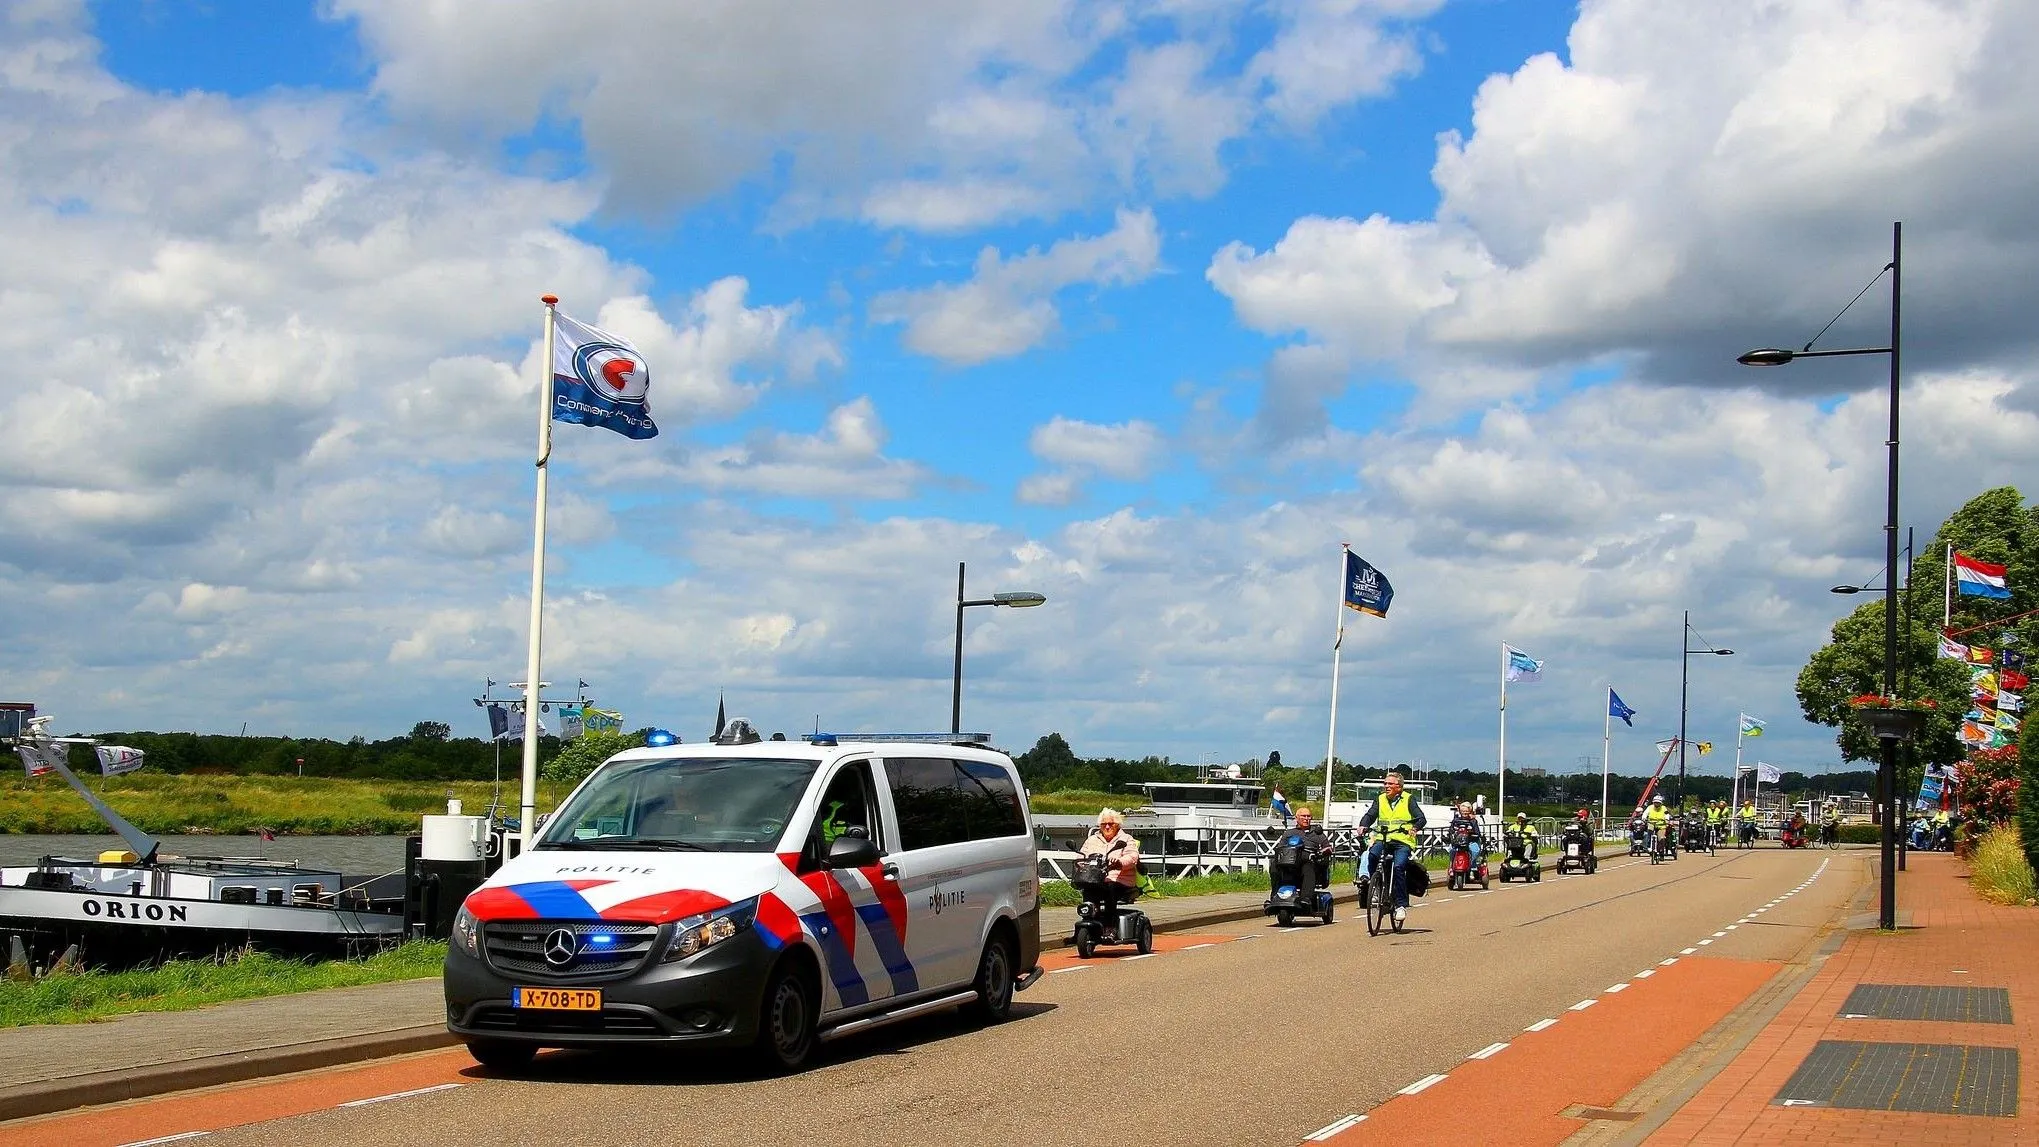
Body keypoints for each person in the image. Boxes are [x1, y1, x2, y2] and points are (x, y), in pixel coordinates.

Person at [1357, 771, 1427, 925]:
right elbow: (1371, 815)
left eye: (1390, 784)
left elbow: (1421, 818)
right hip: (1383, 839)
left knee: (1400, 867)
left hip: (1402, 841)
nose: (1386, 786)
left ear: (1399, 787)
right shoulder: (1380, 799)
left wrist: (1414, 828)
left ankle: (1401, 905)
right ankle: (1377, 886)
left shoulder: (1408, 799)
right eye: (1385, 784)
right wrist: (1363, 825)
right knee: (1372, 856)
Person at [1079, 809, 1142, 931]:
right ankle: (1088, 924)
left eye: (1110, 824)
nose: (1107, 827)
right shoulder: (1092, 840)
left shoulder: (1126, 839)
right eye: (1103, 824)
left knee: (1110, 887)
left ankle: (1110, 926)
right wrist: (1080, 864)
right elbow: (1081, 855)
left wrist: (1119, 862)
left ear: (1117, 825)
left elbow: (1133, 857)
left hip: (1120, 879)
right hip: (1096, 878)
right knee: (1088, 889)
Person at [1276, 807, 1333, 898]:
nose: (1306, 819)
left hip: (1309, 860)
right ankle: (1275, 895)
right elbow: (1280, 848)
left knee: (1308, 867)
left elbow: (1328, 847)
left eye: (1308, 816)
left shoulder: (1317, 833)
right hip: (1290, 862)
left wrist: (1322, 852)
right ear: (1297, 818)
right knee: (1274, 867)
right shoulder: (1289, 833)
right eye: (1303, 816)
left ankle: (1306, 898)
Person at [1447, 801, 1486, 868]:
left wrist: (1473, 834)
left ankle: (1472, 865)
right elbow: (1451, 830)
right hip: (1458, 842)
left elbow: (1477, 832)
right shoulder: (1456, 820)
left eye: (1466, 811)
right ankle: (1453, 865)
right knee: (1451, 850)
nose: (1465, 813)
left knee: (1475, 850)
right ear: (1460, 811)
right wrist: (1450, 835)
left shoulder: (1473, 821)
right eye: (1463, 811)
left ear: (1469, 811)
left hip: (1470, 841)